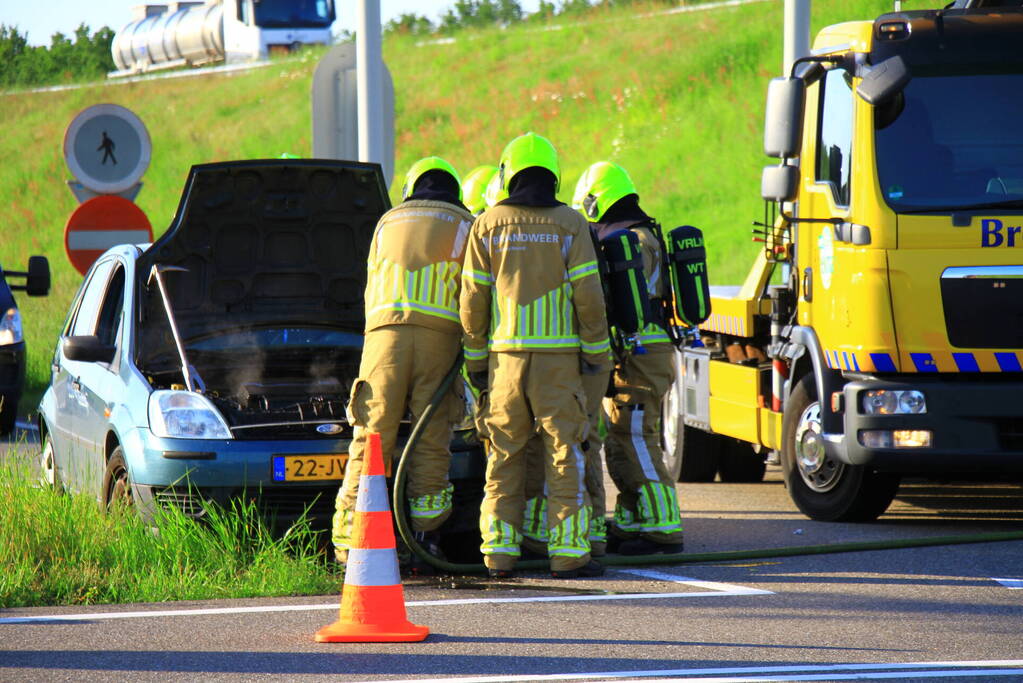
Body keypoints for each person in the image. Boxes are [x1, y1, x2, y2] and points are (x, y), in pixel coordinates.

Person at [460, 132, 611, 579]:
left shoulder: (486, 225)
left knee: (504, 453)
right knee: (564, 451)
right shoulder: (571, 224)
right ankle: (567, 554)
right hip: (559, 365)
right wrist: (596, 355)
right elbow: (589, 296)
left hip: (504, 363)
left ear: (508, 174)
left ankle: (499, 553)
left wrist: (475, 361)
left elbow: (472, 301)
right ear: (553, 175)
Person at [332, 156, 475, 564]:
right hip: (440, 341)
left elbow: (371, 283)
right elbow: (475, 291)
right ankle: (426, 539)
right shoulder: (466, 223)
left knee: (371, 437)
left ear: (411, 188)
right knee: (431, 436)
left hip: (382, 339)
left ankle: (350, 543)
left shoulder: (387, 221)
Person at [572, 161, 685, 555]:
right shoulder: (642, 234)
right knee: (622, 437)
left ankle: (662, 524)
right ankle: (635, 518)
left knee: (636, 435)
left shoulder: (630, 242)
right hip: (642, 351)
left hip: (641, 354)